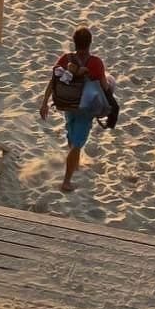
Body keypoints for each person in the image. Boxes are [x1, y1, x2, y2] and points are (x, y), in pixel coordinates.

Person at [38, 25, 116, 192]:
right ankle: (67, 181)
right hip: (85, 108)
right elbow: (103, 85)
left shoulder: (65, 58)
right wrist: (110, 95)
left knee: (72, 133)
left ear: (74, 43)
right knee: (78, 143)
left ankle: (75, 162)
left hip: (68, 103)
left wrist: (45, 102)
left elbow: (53, 81)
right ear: (90, 43)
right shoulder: (95, 62)